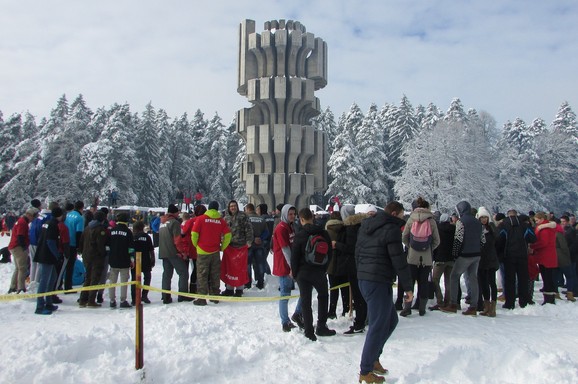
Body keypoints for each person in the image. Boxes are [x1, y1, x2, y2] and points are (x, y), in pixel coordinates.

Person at [355, 201, 414, 384]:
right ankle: (365, 371)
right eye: (402, 215)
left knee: (390, 320)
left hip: (367, 278)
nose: (403, 219)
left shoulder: (366, 226)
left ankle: (373, 358)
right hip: (377, 280)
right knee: (378, 325)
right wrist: (409, 287)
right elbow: (399, 260)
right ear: (394, 213)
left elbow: (357, 252)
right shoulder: (391, 229)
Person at [290, 207, 336, 341]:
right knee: (323, 296)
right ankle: (321, 326)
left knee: (306, 301)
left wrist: (295, 273)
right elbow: (329, 253)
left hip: (303, 273)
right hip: (319, 271)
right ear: (313, 217)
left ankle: (309, 331)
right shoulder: (323, 233)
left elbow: (294, 256)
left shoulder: (300, 234)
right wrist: (324, 268)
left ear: (302, 219)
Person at [441, 200, 485, 316]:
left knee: (454, 276)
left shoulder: (461, 222)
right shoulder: (477, 222)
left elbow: (458, 239)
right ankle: (473, 306)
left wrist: (455, 254)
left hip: (465, 255)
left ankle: (453, 304)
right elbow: (483, 240)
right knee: (473, 279)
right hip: (476, 255)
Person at [401, 197, 440, 316]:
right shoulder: (431, 221)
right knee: (423, 282)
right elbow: (437, 240)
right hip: (426, 258)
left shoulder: (411, 219)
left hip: (412, 257)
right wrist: (428, 249)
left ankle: (407, 307)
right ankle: (422, 308)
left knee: (410, 282)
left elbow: (404, 237)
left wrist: (411, 247)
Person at [192, 201, 231, 306]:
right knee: (215, 274)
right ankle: (214, 297)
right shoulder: (221, 221)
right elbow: (228, 235)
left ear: (208, 208)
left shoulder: (200, 219)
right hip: (215, 251)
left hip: (202, 251)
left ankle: (202, 298)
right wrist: (223, 246)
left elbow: (194, 234)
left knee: (202, 275)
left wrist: (197, 245)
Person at [495, 210, 537, 309]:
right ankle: (524, 301)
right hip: (522, 255)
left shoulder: (503, 225)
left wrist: (499, 252)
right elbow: (533, 238)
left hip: (508, 255)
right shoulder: (524, 225)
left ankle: (510, 302)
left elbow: (498, 239)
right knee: (523, 279)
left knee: (509, 280)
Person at [272, 204, 302, 332]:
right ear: (284, 214)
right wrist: (292, 266)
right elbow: (285, 249)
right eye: (290, 214)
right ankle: (285, 321)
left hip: (290, 264)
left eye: (294, 214)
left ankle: (297, 314)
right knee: (285, 293)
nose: (293, 216)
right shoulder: (281, 228)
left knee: (301, 291)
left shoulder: (290, 227)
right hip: (284, 265)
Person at [34, 207, 65, 315]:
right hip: (47, 256)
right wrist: (57, 254)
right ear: (59, 215)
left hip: (44, 253)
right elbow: (50, 242)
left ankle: (48, 302)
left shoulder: (46, 222)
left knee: (53, 278)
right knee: (44, 280)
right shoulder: (53, 225)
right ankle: (40, 306)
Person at [159, 204, 190, 304]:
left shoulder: (163, 223)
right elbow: (177, 240)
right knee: (183, 273)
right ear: (174, 213)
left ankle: (165, 296)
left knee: (167, 275)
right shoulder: (174, 223)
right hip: (173, 252)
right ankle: (182, 294)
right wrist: (182, 252)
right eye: (178, 213)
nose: (179, 214)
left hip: (164, 252)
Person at [221, 200, 253, 297]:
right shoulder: (225, 217)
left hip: (241, 246)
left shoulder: (243, 216)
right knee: (229, 268)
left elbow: (249, 228)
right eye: (231, 206)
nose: (233, 207)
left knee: (240, 268)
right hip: (229, 247)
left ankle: (239, 289)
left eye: (234, 206)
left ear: (237, 207)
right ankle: (229, 289)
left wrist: (249, 241)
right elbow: (222, 231)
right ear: (228, 207)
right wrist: (222, 241)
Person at [78, 211, 109, 308]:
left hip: (86, 255)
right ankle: (91, 300)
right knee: (95, 278)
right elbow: (100, 244)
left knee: (88, 277)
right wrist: (103, 253)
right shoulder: (100, 230)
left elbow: (81, 241)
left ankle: (83, 299)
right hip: (96, 257)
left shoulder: (87, 228)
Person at [325, 211, 350, 318]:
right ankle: (346, 308)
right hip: (344, 262)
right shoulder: (345, 230)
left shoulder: (326, 231)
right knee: (345, 288)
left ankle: (332, 310)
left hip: (331, 263)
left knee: (333, 288)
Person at [8, 208, 39, 293]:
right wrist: (24, 247)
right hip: (18, 247)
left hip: (13, 246)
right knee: (22, 268)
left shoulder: (21, 221)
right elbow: (20, 236)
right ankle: (21, 287)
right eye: (33, 217)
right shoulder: (23, 223)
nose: (33, 219)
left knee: (18, 268)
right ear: (29, 215)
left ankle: (13, 286)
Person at [108, 212, 135, 308]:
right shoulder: (128, 232)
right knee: (124, 282)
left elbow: (108, 246)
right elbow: (131, 248)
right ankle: (123, 300)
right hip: (124, 260)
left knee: (112, 281)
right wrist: (132, 260)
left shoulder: (112, 231)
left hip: (113, 260)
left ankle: (112, 300)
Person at [530, 212, 558, 305]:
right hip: (548, 256)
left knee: (547, 278)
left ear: (542, 219)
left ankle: (549, 299)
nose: (536, 222)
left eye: (537, 220)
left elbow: (544, 242)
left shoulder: (544, 229)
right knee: (548, 277)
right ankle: (550, 297)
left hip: (545, 256)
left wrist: (533, 246)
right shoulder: (548, 228)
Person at [476, 207, 499, 316]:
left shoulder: (492, 229)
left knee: (491, 282)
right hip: (481, 259)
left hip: (491, 258)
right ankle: (487, 305)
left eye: (485, 217)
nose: (484, 219)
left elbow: (496, 241)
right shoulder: (477, 229)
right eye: (482, 217)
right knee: (484, 283)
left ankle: (493, 306)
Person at [430, 213, 456, 310]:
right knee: (448, 281)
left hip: (440, 259)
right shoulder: (454, 229)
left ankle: (439, 301)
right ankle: (448, 301)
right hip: (451, 259)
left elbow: (435, 244)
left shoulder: (437, 229)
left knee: (435, 280)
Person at [131, 220, 155, 304]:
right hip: (146, 260)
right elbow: (151, 250)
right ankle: (144, 295)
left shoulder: (132, 237)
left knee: (134, 280)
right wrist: (153, 259)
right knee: (147, 278)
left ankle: (134, 299)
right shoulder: (147, 237)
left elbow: (130, 250)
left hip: (135, 260)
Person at [245, 203, 269, 290]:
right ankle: (260, 282)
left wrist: (252, 239)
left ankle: (247, 283)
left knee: (247, 265)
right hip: (260, 245)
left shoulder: (246, 219)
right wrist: (260, 238)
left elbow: (245, 232)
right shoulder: (261, 219)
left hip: (249, 245)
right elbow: (266, 232)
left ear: (247, 209)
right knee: (260, 264)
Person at [64, 201, 84, 292]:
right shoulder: (80, 218)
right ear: (82, 208)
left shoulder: (68, 215)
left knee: (63, 265)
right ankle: (68, 286)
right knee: (70, 266)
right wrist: (78, 246)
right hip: (72, 243)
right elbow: (79, 233)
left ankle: (60, 284)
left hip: (65, 242)